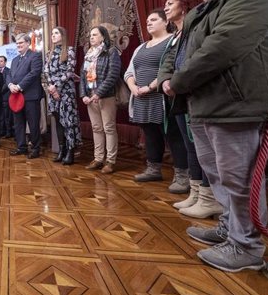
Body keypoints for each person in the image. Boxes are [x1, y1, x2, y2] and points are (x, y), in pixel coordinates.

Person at [161, 0, 268, 272]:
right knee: (218, 174)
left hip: (236, 105)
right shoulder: (201, 12)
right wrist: (168, 77)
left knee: (239, 178)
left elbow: (221, 48)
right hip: (204, 104)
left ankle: (245, 247)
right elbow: (180, 53)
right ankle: (230, 229)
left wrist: (177, 81)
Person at [159, 0, 223, 217]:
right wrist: (165, 80)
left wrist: (176, 81)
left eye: (170, 2)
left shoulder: (195, 28)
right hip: (178, 97)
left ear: (185, 4)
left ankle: (208, 196)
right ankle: (196, 193)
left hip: (194, 94)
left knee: (201, 147)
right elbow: (168, 62)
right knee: (191, 147)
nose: (165, 7)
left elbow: (195, 60)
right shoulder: (176, 35)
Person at [124, 10, 188, 192]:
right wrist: (133, 87)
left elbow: (172, 68)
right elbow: (129, 71)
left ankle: (182, 176)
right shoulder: (141, 47)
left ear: (165, 21)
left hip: (163, 97)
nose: (149, 23)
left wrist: (150, 87)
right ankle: (153, 169)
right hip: (142, 98)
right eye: (147, 21)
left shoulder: (172, 41)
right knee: (150, 134)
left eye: (153, 19)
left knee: (174, 136)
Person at [80, 26, 120, 174]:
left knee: (109, 128)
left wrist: (99, 93)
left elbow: (113, 75)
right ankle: (98, 159)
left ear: (103, 37)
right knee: (96, 128)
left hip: (106, 96)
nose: (91, 37)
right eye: (90, 35)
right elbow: (83, 77)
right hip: (90, 97)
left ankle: (110, 161)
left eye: (95, 35)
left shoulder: (111, 52)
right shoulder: (88, 54)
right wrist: (84, 94)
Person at [44, 26, 81, 165]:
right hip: (53, 92)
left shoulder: (69, 50)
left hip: (66, 91)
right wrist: (51, 87)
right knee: (58, 121)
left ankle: (70, 152)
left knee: (68, 121)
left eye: (56, 33)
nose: (53, 35)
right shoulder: (49, 53)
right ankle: (61, 150)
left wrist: (56, 86)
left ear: (62, 35)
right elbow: (46, 72)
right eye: (52, 33)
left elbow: (70, 71)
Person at [7, 33, 43, 159]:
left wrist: (20, 86)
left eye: (21, 43)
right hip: (16, 97)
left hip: (31, 96)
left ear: (28, 43)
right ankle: (21, 147)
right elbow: (9, 75)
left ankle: (35, 148)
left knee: (33, 124)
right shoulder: (15, 60)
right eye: (17, 43)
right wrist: (10, 84)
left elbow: (34, 73)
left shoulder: (35, 56)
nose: (18, 45)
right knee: (18, 124)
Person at [0, 55, 13, 138]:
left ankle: (8, 132)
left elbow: (7, 84)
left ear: (5, 62)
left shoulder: (8, 71)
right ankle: (2, 131)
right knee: (0, 116)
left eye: (1, 61)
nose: (0, 63)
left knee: (7, 116)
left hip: (6, 97)